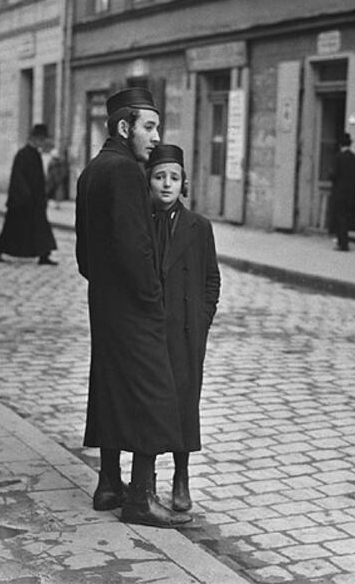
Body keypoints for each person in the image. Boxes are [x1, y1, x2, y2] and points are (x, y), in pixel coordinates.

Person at [75, 88, 191, 528]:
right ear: (124, 128)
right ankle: (140, 498)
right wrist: (151, 299)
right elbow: (133, 249)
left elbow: (85, 255)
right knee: (154, 395)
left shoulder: (91, 172)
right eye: (149, 127)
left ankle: (108, 486)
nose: (155, 136)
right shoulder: (125, 172)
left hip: (103, 304)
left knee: (109, 387)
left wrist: (106, 291)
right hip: (134, 307)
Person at [147, 144, 221, 511]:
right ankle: (146, 479)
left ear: (184, 183)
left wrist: (202, 320)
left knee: (184, 406)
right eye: (159, 177)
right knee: (149, 406)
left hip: (186, 334)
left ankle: (181, 476)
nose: (166, 185)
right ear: (149, 181)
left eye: (173, 178)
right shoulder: (142, 223)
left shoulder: (198, 227)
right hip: (151, 332)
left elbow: (212, 280)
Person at [0, 124, 58, 265]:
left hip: (36, 201)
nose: (42, 143)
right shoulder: (22, 154)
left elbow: (40, 178)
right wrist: (26, 196)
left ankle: (44, 255)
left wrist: (42, 196)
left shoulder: (36, 155)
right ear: (34, 139)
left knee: (41, 228)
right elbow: (18, 178)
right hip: (21, 202)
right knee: (11, 229)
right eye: (40, 140)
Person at [330, 132, 355, 252]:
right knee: (347, 217)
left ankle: (343, 243)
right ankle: (344, 241)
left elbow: (333, 174)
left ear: (341, 144)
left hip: (339, 191)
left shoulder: (338, 157)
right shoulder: (354, 158)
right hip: (351, 192)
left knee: (340, 217)